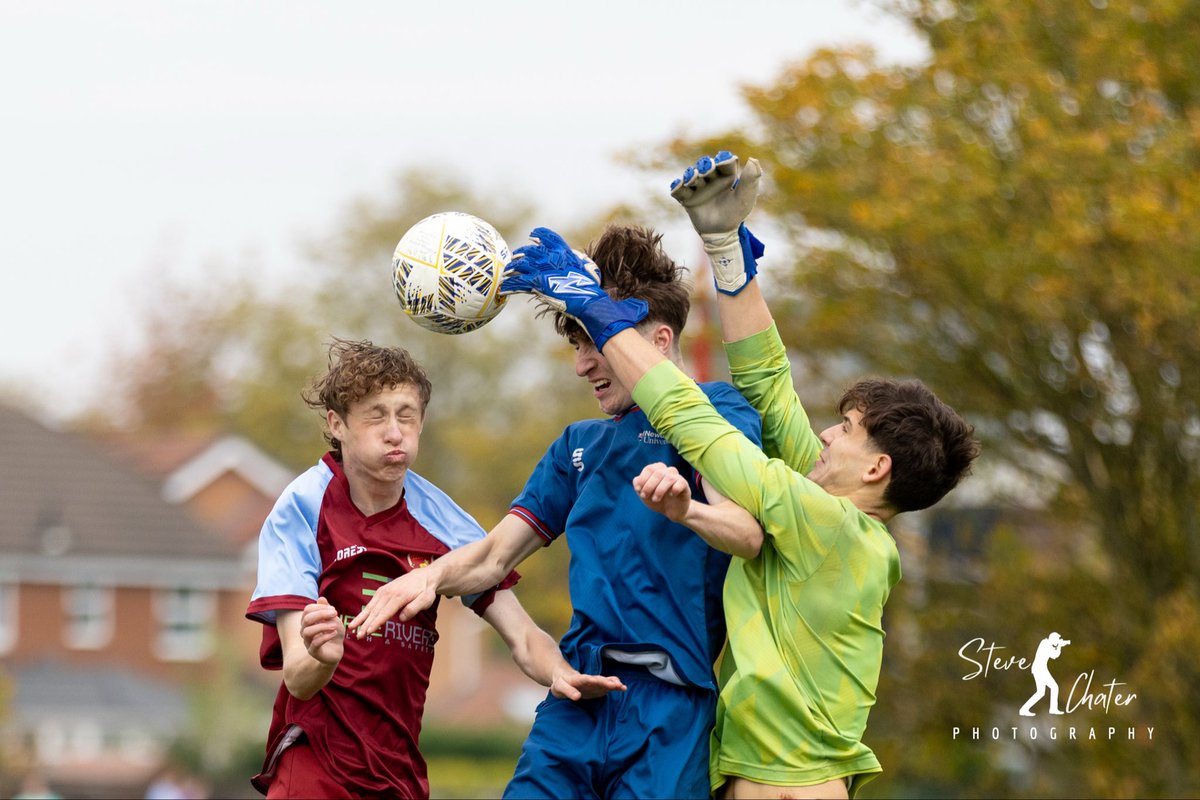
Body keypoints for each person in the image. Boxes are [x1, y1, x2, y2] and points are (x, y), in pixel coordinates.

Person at [499, 152, 980, 799]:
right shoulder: (832, 515)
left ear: (876, 468)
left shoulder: (828, 524)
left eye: (845, 429)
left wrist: (595, 307)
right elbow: (768, 387)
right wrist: (725, 249)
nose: (826, 434)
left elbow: (693, 421)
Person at [349, 226, 765, 799]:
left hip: (671, 709)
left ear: (660, 341)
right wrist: (431, 576)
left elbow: (746, 534)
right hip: (577, 696)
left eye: (595, 340)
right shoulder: (578, 445)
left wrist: (685, 509)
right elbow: (494, 556)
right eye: (577, 345)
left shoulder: (714, 411)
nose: (582, 364)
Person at [245, 339, 622, 799]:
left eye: (406, 415)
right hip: (314, 765)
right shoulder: (302, 508)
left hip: (398, 770)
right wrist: (325, 656)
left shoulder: (444, 522)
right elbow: (298, 678)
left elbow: (522, 635)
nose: (394, 431)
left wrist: (560, 673)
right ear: (337, 424)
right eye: (376, 415)